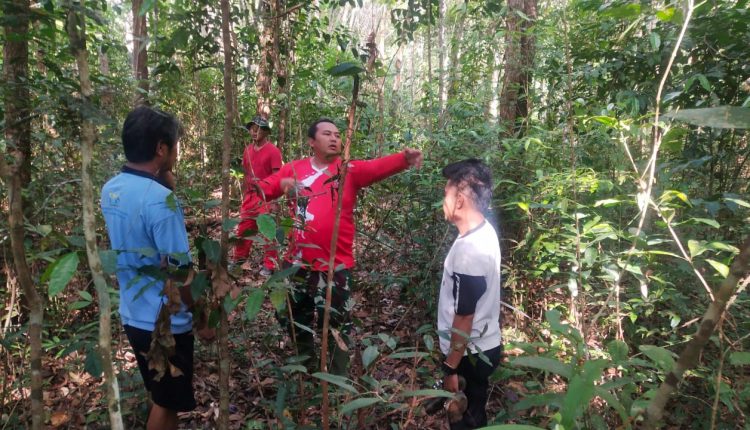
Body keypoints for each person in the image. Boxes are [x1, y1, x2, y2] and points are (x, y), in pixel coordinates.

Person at [258, 118, 423, 374]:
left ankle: (336, 381)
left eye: (337, 134)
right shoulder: (294, 168)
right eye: (327, 134)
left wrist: (404, 159)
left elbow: (376, 167)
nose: (335, 138)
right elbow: (262, 190)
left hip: (334, 266)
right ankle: (306, 368)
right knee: (293, 318)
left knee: (337, 325)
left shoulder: (348, 170)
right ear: (312, 141)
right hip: (297, 264)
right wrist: (282, 184)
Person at [101, 106, 204, 430]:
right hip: (166, 323)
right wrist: (203, 317)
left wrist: (164, 182)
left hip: (133, 314)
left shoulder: (110, 189)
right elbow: (179, 270)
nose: (176, 152)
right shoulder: (160, 201)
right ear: (161, 148)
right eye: (174, 145)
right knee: (166, 402)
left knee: (160, 394)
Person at [437, 159, 502, 429]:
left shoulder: (470, 249)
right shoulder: (483, 231)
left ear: (460, 200)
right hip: (482, 345)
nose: (443, 201)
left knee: (465, 420)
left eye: (446, 193)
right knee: (475, 413)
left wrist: (450, 368)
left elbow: (464, 316)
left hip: (469, 355)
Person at [234, 115, 283, 276]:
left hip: (266, 197)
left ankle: (269, 265)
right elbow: (245, 174)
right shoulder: (247, 150)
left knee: (268, 232)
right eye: (252, 129)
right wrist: (244, 195)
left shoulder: (273, 151)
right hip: (250, 196)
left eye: (259, 129)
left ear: (266, 132)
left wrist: (275, 200)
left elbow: (277, 177)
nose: (254, 132)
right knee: (244, 229)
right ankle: (239, 260)